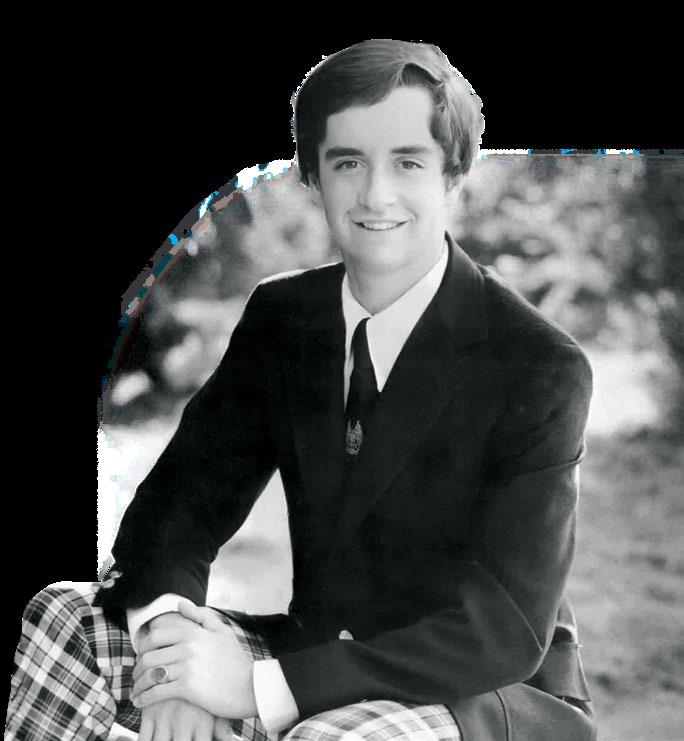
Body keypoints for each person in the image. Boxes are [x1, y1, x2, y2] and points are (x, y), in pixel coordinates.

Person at [7, 39, 597, 740]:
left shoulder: (538, 363)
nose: (375, 194)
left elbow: (501, 630)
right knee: (66, 620)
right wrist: (171, 661)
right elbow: (180, 507)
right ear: (313, 178)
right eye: (348, 162)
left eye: (408, 162)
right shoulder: (286, 318)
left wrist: (254, 686)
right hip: (317, 649)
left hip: (484, 696)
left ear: (453, 175)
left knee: (335, 737)